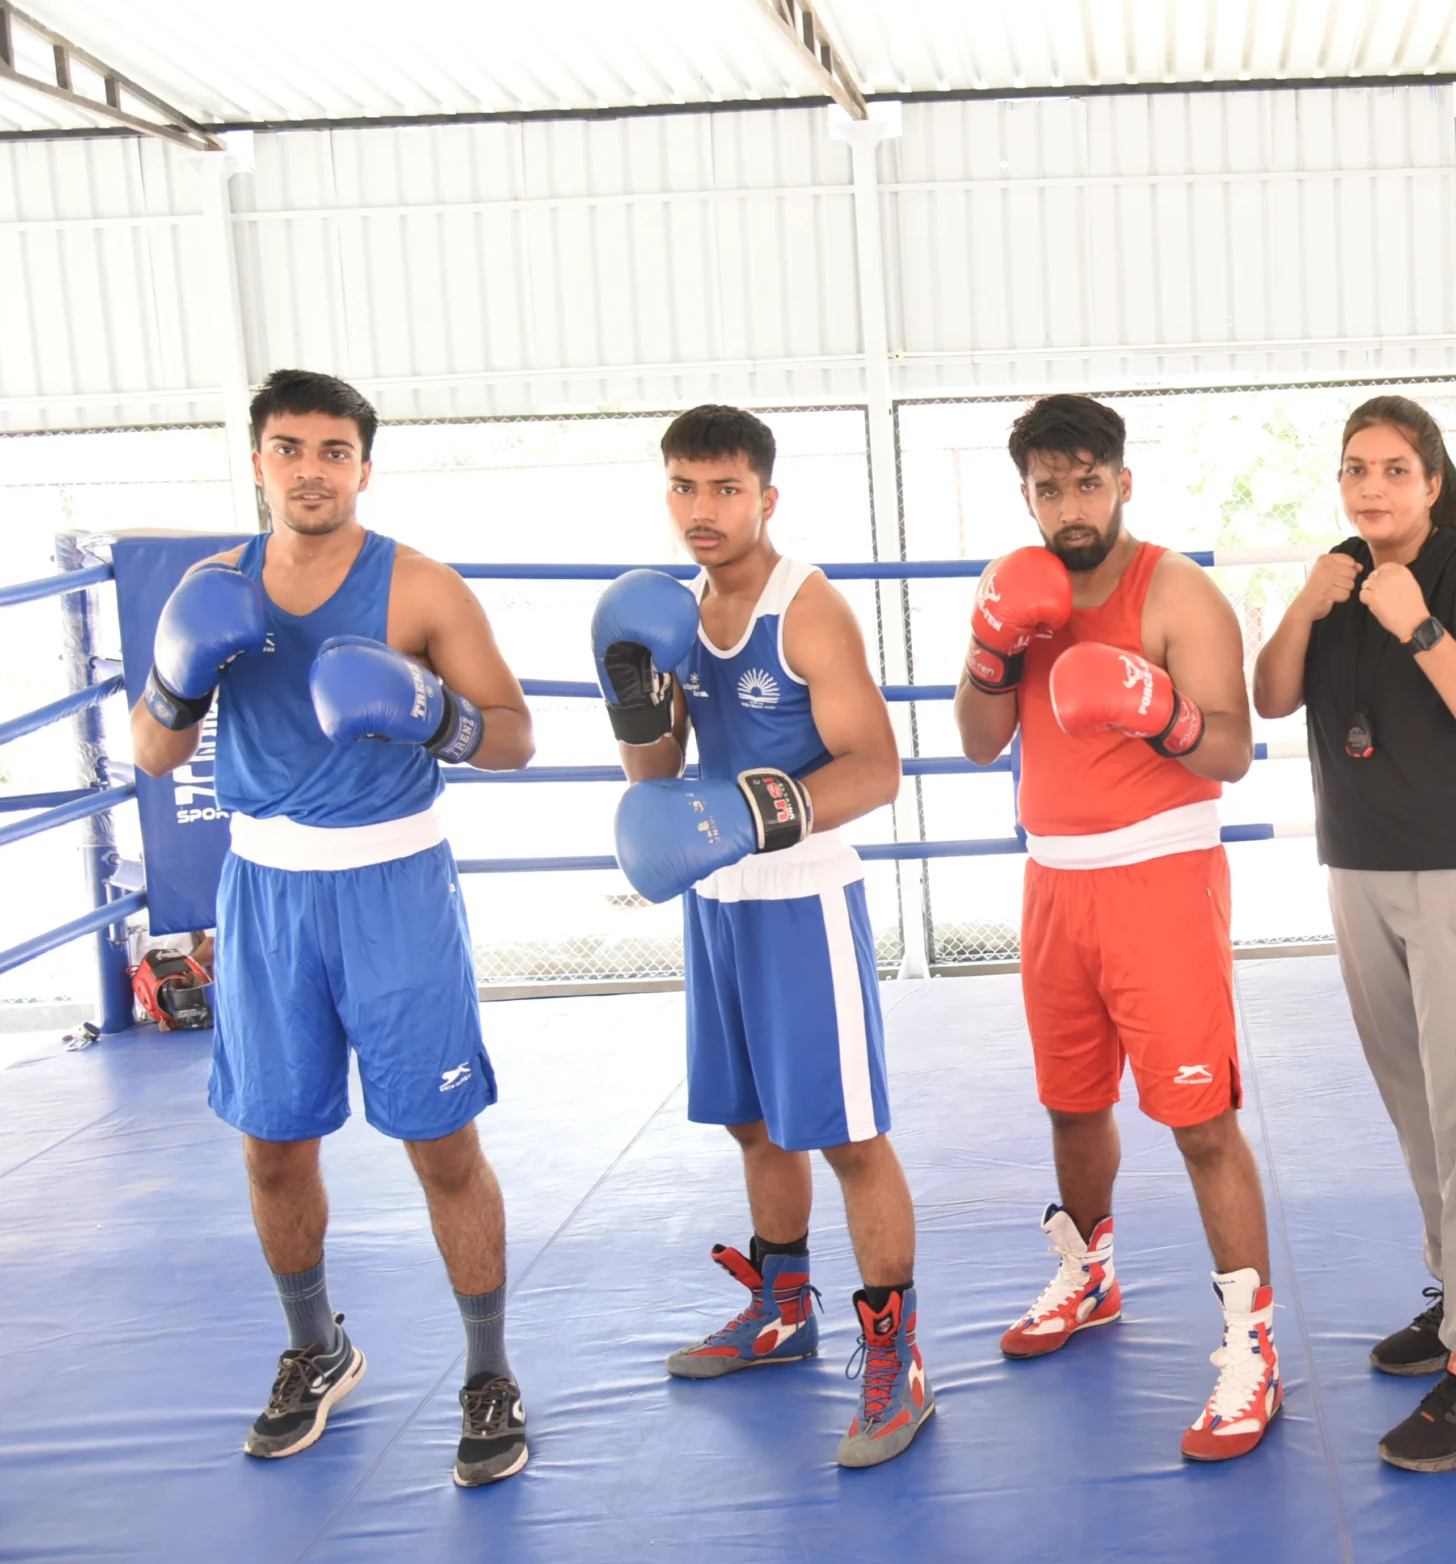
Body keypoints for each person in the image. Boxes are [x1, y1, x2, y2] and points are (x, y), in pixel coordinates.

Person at [128, 368, 538, 1486]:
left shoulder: (420, 587)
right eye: (288, 448)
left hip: (395, 888)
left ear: (363, 463)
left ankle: (488, 1372)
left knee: (441, 1146)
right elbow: (156, 756)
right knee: (271, 1149)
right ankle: (317, 1348)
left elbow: (512, 738)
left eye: (332, 450)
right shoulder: (210, 590)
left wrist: (431, 714)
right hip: (266, 895)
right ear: (258, 459)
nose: (310, 469)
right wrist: (175, 676)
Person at [953, 392, 1281, 1463]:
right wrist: (995, 646)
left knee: (1199, 1122)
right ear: (1029, 496)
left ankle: (1250, 1347)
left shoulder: (1176, 592)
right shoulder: (1019, 592)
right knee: (1069, 1106)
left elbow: (1229, 752)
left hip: (1159, 883)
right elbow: (974, 740)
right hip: (1055, 884)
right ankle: (1088, 1273)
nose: (1069, 505)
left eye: (1086, 482)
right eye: (1048, 488)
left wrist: (1160, 709)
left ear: (1123, 482)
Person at [601, 405, 931, 1469]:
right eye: (686, 489)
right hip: (719, 901)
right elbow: (657, 794)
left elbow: (875, 768)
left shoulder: (806, 610)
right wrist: (634, 704)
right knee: (751, 1123)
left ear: (765, 498)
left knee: (846, 1136)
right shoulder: (673, 612)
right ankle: (783, 1311)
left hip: (801, 901)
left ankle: (898, 1361)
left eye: (726, 489)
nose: (705, 509)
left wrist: (757, 812)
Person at [1251, 396, 1456, 1473]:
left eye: (1393, 470)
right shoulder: (1335, 570)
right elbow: (1271, 698)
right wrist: (1304, 604)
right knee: (1417, 1103)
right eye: (1354, 469)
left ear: (1429, 480)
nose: (1371, 488)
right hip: (1357, 870)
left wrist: (1416, 624)